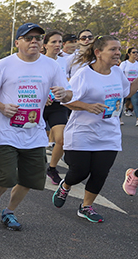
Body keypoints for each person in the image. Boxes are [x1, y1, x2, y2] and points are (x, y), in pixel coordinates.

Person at [0, 23, 72, 231]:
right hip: (7, 132)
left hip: (35, 131)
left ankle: (9, 212)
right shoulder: (4, 65)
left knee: (30, 178)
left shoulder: (51, 66)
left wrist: (63, 94)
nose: (34, 41)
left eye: (38, 38)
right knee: (7, 177)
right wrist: (3, 107)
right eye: (29, 37)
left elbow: (68, 93)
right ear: (17, 42)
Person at [52, 36, 138, 222]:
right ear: (98, 53)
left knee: (100, 172)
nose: (118, 53)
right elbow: (66, 100)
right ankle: (65, 186)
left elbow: (126, 92)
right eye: (113, 49)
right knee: (80, 172)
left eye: (119, 49)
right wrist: (87, 106)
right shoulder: (84, 74)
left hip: (109, 133)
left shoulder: (117, 72)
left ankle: (86, 206)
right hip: (82, 132)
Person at [43, 31, 71, 185]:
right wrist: (41, 96)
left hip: (57, 105)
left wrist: (64, 93)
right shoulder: (37, 61)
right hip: (38, 106)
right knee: (34, 140)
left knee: (62, 139)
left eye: (60, 42)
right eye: (53, 42)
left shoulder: (64, 62)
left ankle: (52, 169)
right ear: (45, 45)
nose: (57, 45)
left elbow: (65, 83)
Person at [119, 47, 138, 124]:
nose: (136, 54)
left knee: (135, 102)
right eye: (133, 52)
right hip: (124, 86)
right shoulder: (124, 64)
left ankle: (137, 119)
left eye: (137, 52)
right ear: (129, 54)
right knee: (121, 103)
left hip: (134, 87)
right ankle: (119, 119)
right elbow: (120, 74)